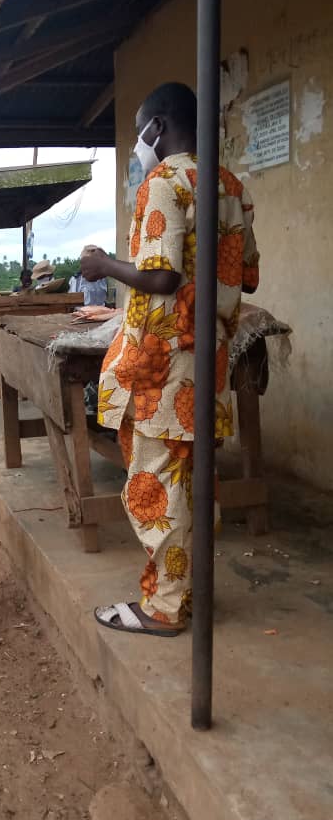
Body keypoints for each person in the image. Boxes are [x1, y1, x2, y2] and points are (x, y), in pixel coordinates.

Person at [81, 82, 259, 637]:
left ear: (156, 126)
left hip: (164, 363)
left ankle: (162, 608)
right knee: (194, 481)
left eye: (140, 130)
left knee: (156, 486)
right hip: (209, 360)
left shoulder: (163, 182)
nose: (139, 142)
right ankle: (188, 594)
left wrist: (104, 266)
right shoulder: (231, 185)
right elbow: (248, 273)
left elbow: (162, 277)